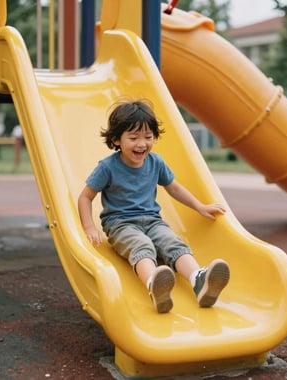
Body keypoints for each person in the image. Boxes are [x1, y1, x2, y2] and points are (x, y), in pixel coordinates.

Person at [78, 99, 230, 313]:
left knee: (172, 242)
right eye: (133, 138)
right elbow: (85, 197)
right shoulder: (107, 167)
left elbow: (174, 188)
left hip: (152, 221)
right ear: (116, 140)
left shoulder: (155, 162)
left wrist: (200, 206)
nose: (142, 144)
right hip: (121, 224)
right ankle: (154, 285)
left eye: (148, 137)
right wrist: (89, 227)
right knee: (142, 246)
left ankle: (198, 279)